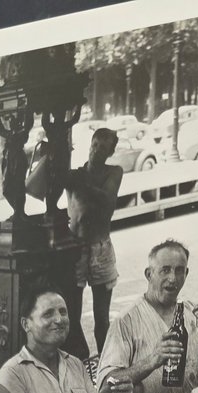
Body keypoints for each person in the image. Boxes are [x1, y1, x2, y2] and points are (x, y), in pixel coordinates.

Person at [96, 239, 198, 393]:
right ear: (149, 274)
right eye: (165, 270)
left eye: (179, 270)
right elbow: (105, 387)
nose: (172, 278)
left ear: (186, 274)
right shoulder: (126, 321)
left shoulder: (191, 312)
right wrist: (152, 361)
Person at [0, 286, 134, 393]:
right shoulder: (12, 373)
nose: (59, 319)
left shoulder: (74, 364)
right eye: (48, 314)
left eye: (63, 312)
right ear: (26, 324)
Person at [64, 127, 123, 360]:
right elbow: (47, 180)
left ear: (111, 151)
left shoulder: (114, 172)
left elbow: (107, 198)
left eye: (103, 147)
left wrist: (81, 183)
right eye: (94, 144)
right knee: (72, 314)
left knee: (101, 317)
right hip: (76, 249)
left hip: (100, 248)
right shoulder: (75, 175)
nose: (96, 150)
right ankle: (81, 359)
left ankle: (106, 363)